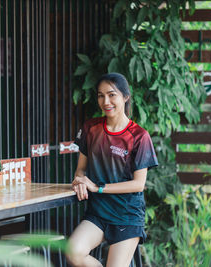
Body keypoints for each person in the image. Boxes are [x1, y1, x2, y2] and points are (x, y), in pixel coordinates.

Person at [66, 73, 158, 267]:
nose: (105, 101)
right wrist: (80, 180)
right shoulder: (91, 128)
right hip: (98, 214)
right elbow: (81, 170)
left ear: (125, 97)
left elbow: (138, 184)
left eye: (111, 94)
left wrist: (97, 187)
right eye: (100, 95)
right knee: (73, 252)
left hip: (127, 216)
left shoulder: (140, 136)